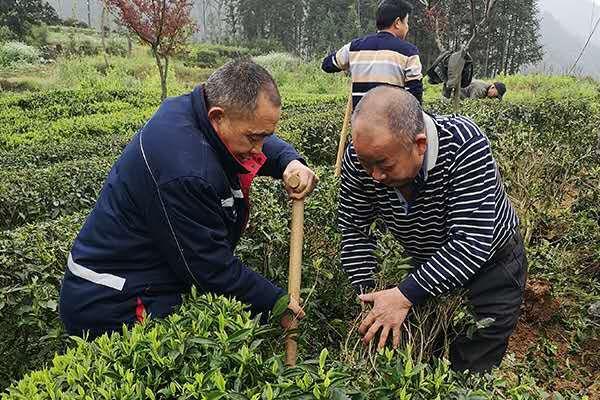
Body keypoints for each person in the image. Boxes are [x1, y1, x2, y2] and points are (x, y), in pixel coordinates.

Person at [59, 60, 317, 338]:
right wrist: (275, 302)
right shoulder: (186, 172)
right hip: (112, 299)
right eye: (253, 138)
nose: (258, 149)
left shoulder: (195, 110)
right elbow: (210, 267)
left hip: (144, 280)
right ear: (217, 117)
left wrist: (287, 162)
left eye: (265, 136)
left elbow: (255, 138)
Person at [338, 85, 526, 372]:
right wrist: (371, 297)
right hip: (427, 262)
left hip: (492, 266)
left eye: (383, 164)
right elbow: (354, 229)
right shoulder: (360, 156)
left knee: (470, 366)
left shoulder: (464, 143)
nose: (374, 176)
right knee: (426, 357)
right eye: (366, 164)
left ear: (420, 144)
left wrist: (403, 295)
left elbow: (470, 244)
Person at [321, 0, 424, 107]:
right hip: (391, 121)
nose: (407, 27)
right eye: (406, 22)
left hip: (360, 121)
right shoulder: (409, 52)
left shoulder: (354, 47)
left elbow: (327, 65)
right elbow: (415, 94)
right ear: (397, 23)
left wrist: (350, 62)